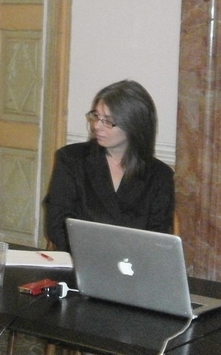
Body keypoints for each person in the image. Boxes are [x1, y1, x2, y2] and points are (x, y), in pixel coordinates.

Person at [44, 79, 174, 252]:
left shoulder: (160, 175)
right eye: (96, 116)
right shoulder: (71, 159)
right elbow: (57, 224)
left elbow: (159, 237)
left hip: (132, 263)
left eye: (108, 121)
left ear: (133, 126)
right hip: (81, 258)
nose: (97, 126)